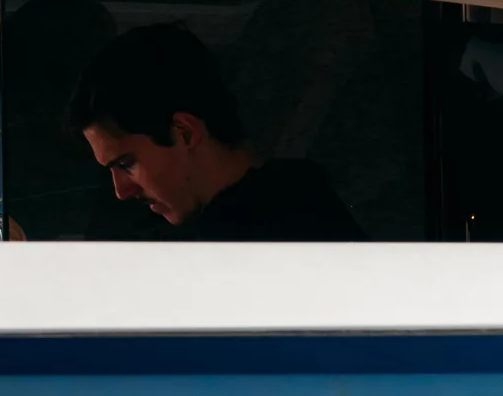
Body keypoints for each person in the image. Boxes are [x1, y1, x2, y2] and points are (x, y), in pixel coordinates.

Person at [76, 22, 362, 241]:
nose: (121, 191)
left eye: (127, 163)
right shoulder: (305, 208)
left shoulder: (241, 248)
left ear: (185, 132)